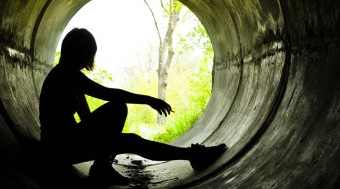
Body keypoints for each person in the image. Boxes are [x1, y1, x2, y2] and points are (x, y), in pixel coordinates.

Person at [39, 28, 227, 185]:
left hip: (65, 144)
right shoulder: (67, 75)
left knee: (130, 140)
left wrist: (110, 144)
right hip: (61, 149)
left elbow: (87, 120)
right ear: (83, 53)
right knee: (118, 108)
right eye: (89, 53)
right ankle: (103, 169)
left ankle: (191, 155)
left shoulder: (68, 76)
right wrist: (149, 100)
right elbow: (111, 95)